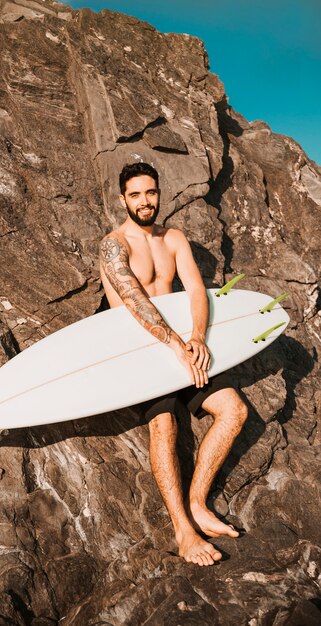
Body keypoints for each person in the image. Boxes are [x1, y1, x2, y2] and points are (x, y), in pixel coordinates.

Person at [99, 162, 248, 566]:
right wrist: (176, 345)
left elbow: (198, 290)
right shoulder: (114, 245)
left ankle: (198, 502)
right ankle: (183, 531)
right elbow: (135, 303)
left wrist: (196, 337)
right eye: (135, 195)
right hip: (139, 349)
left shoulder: (174, 238)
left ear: (159, 193)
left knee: (233, 410)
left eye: (150, 193)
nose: (144, 201)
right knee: (164, 426)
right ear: (122, 200)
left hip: (182, 341)